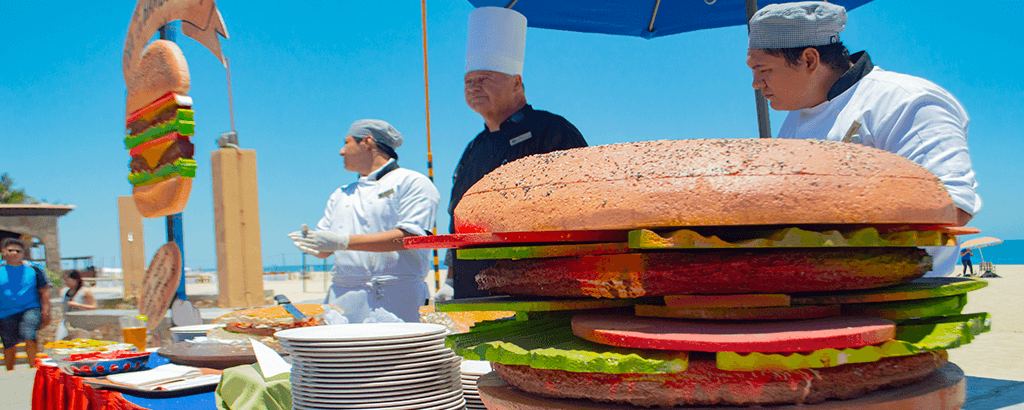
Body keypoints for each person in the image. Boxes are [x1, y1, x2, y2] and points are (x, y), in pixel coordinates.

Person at [745, 1, 981, 277]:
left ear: (809, 60)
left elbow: (951, 205)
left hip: (903, 296)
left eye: (763, 70)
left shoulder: (906, 100)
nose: (755, 83)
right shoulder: (794, 119)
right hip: (814, 293)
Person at [437, 7, 589, 300]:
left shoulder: (552, 131)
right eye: (468, 81)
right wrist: (451, 280)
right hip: (473, 291)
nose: (473, 86)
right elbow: (456, 219)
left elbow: (580, 206)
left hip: (539, 288)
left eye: (484, 78)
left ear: (517, 82)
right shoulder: (473, 147)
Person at [289, 119, 440, 323]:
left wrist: (343, 242)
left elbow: (410, 237)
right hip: (342, 301)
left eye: (347, 142)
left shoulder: (412, 182)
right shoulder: (341, 194)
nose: (341, 152)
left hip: (398, 300)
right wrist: (311, 242)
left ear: (367, 142)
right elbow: (325, 250)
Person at [1, 238, 51, 370]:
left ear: (23, 253)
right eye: (10, 250)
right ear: (3, 251)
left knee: (29, 336)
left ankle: (34, 369)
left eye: (18, 251)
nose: (14, 253)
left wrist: (46, 312)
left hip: (30, 308)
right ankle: (10, 371)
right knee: (9, 344)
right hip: (5, 312)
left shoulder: (35, 269)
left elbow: (44, 291)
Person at [55, 269, 97, 341]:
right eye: (64, 280)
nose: (66, 282)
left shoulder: (85, 292)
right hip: (66, 322)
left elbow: (94, 307)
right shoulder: (63, 291)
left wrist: (78, 305)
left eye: (68, 280)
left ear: (76, 279)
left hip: (81, 323)